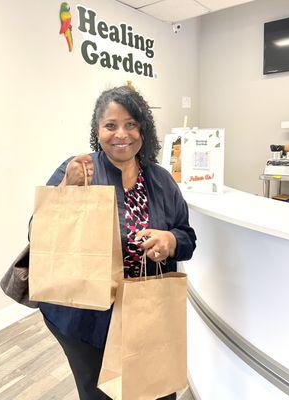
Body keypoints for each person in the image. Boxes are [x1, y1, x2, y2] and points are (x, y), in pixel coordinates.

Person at [33, 86, 197, 400]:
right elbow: (38, 232)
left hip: (148, 311)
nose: (121, 134)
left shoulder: (161, 180)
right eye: (111, 125)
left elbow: (188, 237)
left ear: (142, 130)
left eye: (131, 124)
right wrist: (68, 187)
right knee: (99, 394)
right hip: (86, 318)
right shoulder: (80, 170)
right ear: (98, 131)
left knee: (155, 390)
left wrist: (171, 241)